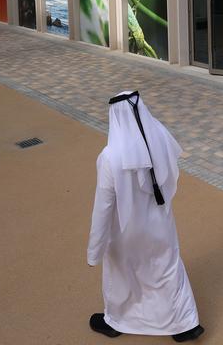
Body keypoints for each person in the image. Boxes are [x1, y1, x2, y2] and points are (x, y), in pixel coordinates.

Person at [87, 91, 204, 342]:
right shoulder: (160, 137)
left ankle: (115, 320)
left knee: (121, 272)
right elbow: (172, 172)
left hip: (126, 229)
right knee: (167, 268)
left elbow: (103, 207)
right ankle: (186, 324)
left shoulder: (109, 157)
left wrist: (94, 250)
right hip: (161, 223)